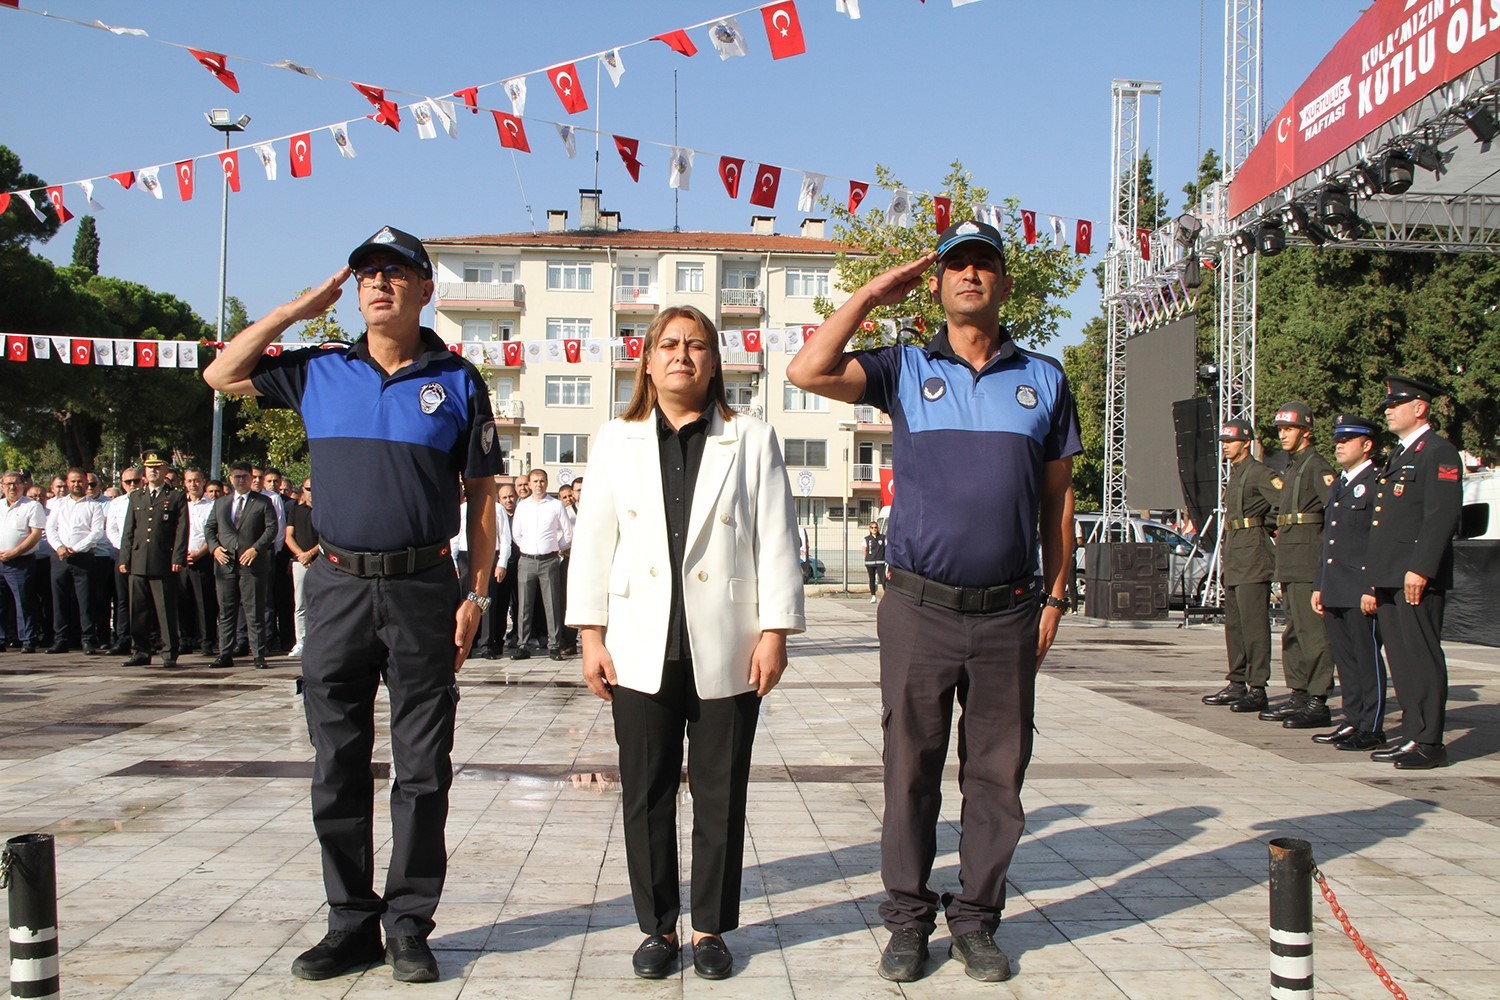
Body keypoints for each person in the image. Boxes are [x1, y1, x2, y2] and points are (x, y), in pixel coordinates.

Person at [204, 224, 502, 984]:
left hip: (423, 588)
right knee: (336, 762)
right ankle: (349, 922)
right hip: (336, 587)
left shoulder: (459, 380)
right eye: (367, 273)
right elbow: (220, 375)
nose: (378, 284)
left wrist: (476, 593)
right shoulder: (316, 369)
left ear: (425, 289)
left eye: (396, 273)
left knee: (422, 768)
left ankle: (407, 923)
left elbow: (481, 503)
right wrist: (294, 311)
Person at [786, 220, 1079, 984]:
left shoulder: (1044, 378)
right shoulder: (905, 367)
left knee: (997, 777)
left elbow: (1059, 501)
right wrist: (871, 295)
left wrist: (1054, 595)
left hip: (1010, 610)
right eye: (956, 266)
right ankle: (909, 921)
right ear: (938, 284)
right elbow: (807, 371)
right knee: (909, 770)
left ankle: (978, 921)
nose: (970, 276)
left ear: (1005, 284)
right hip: (919, 609)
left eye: (984, 265)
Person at [568, 305, 804, 981]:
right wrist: (591, 634)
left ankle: (709, 929)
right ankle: (657, 929)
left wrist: (775, 631)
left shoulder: (750, 437)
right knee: (645, 792)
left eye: (696, 344)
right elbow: (594, 544)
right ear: (646, 361)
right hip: (639, 643)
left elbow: (776, 537)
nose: (681, 355)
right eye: (668, 344)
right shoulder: (616, 439)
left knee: (719, 791)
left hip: (726, 642)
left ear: (714, 361)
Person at [1366, 375, 1462, 770]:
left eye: (1395, 404)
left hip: (1414, 574)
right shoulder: (1402, 454)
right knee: (1401, 658)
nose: (1388, 410)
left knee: (1420, 655)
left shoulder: (1438, 452)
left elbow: (1440, 517)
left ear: (1419, 407)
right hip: (1391, 572)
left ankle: (1429, 741)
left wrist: (1421, 567)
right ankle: (1411, 733)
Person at [1310, 415, 1388, 751]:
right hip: (1336, 585)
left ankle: (1371, 726)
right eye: (1337, 440)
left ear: (1367, 445)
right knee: (1345, 659)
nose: (1339, 445)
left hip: (1360, 587)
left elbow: (1379, 539)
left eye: (1347, 440)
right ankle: (1353, 719)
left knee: (1366, 657)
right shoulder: (1339, 483)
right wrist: (1320, 584)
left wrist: (1372, 586)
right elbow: (1329, 540)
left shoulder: (1376, 482)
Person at [1264, 402, 1336, 729]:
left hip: (1308, 560)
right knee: (1293, 632)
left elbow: (1335, 512)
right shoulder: (1292, 467)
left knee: (1313, 633)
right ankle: (1299, 692)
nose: (1282, 435)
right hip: (1290, 560)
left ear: (1306, 431)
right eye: (1280, 429)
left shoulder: (1317, 466)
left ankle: (1318, 698)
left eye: (1288, 429)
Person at [1201, 419, 1281, 714]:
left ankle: (1257, 687)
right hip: (1235, 553)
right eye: (1223, 441)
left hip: (1253, 555)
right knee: (1234, 624)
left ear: (1246, 442)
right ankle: (1237, 681)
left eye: (1230, 441)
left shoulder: (1260, 473)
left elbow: (1284, 502)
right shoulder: (1235, 474)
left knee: (1254, 625)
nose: (1225, 446)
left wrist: (1265, 524)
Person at [118, 450, 189, 669]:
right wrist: (125, 557)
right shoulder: (137, 496)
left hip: (162, 558)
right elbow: (129, 529)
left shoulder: (175, 496)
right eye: (149, 468)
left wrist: (178, 556)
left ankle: (169, 652)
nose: (153, 472)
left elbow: (181, 529)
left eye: (157, 468)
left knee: (165, 609)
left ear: (165, 470)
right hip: (139, 558)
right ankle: (140, 650)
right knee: (138, 609)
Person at [204, 462, 277, 669]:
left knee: (254, 611)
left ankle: (258, 655)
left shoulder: (263, 502)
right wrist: (215, 548)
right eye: (237, 477)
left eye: (245, 476)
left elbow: (271, 529)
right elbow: (209, 529)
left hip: (252, 563)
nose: (241, 480)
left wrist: (256, 548)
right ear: (231, 478)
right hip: (225, 563)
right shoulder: (221, 503)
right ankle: (225, 654)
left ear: (252, 478)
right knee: (226, 611)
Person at [510, 468, 571, 661]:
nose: (539, 485)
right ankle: (523, 645)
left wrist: (555, 548)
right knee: (524, 604)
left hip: (549, 560)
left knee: (552, 603)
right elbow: (516, 534)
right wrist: (528, 548)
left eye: (542, 481)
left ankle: (554, 645)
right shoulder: (522, 507)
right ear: (529, 484)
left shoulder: (556, 506)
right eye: (535, 481)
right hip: (527, 559)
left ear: (547, 482)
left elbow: (568, 534)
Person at [44, 468, 106, 655]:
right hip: (60, 557)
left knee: (85, 600)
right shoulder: (58, 505)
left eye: (80, 481)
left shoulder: (94, 506)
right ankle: (61, 639)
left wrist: (76, 548)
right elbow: (51, 528)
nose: (76, 485)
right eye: (73, 481)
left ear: (86, 483)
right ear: (68, 482)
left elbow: (96, 532)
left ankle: (87, 639)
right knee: (59, 599)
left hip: (83, 557)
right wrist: (60, 547)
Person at [0, 470, 47, 653]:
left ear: (23, 485)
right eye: (8, 484)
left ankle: (28, 639)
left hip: (21, 560)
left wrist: (15, 552)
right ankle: (2, 637)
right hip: (1, 560)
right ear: (2, 486)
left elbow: (35, 534)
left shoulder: (32, 506)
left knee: (24, 601)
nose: (12, 487)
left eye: (15, 483)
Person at [181, 468, 218, 656]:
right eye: (189, 481)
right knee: (183, 601)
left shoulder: (212, 505)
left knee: (205, 603)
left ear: (203, 482)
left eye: (196, 480)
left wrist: (199, 553)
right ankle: (185, 640)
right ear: (184, 483)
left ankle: (207, 641)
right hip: (181, 559)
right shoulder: (180, 505)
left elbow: (214, 533)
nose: (193, 484)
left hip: (203, 558)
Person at [284, 478, 320, 659]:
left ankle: (321, 640)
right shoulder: (295, 511)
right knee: (300, 603)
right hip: (300, 562)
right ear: (302, 491)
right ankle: (301, 641)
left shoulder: (325, 512)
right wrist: (301, 555)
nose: (312, 492)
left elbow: (327, 538)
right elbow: (288, 536)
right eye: (308, 489)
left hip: (321, 561)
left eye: (315, 488)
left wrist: (311, 554)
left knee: (322, 602)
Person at [862, 520, 886, 602]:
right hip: (870, 562)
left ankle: (886, 595)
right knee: (871, 579)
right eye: (872, 528)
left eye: (875, 527)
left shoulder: (883, 538)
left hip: (880, 562)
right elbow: (864, 549)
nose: (874, 529)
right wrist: (869, 557)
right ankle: (873, 596)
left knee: (883, 579)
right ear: (870, 529)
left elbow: (886, 548)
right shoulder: (867, 539)